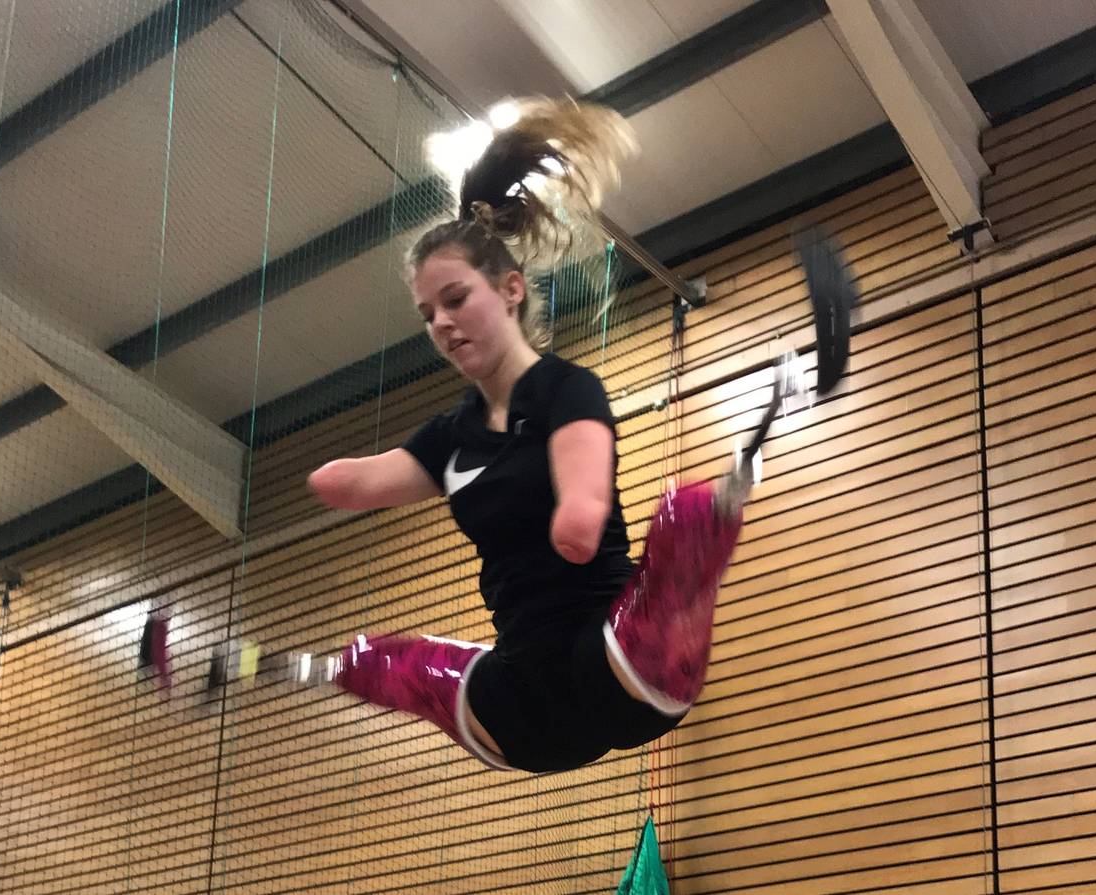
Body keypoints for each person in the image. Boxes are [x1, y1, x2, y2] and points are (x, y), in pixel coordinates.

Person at [303, 99, 757, 773]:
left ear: (511, 289)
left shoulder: (565, 390)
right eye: (428, 314)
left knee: (683, 513)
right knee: (385, 658)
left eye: (456, 300)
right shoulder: (448, 436)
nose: (442, 325)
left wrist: (578, 512)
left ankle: (720, 506)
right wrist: (337, 482)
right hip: (524, 707)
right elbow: (348, 483)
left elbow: (582, 509)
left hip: (615, 662)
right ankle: (321, 667)